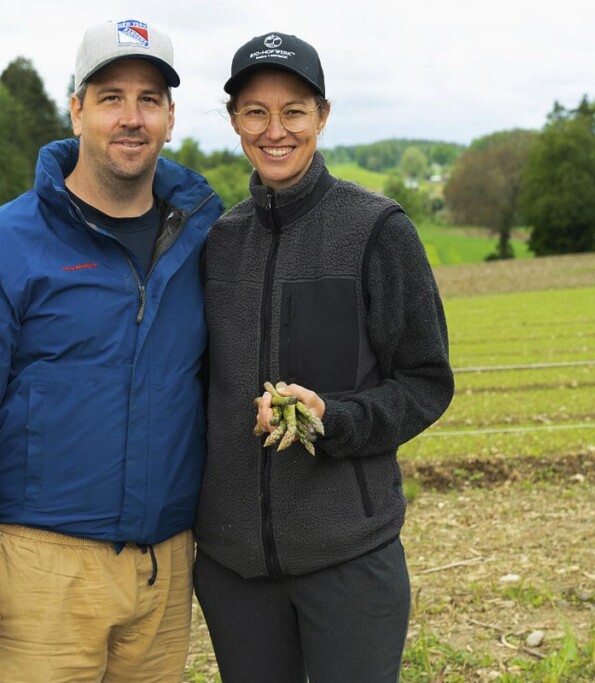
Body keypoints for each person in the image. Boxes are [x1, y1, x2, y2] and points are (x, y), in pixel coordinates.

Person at [0, 18, 223, 682]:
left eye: (149, 98)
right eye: (111, 96)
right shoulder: (2, 246)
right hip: (42, 569)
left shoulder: (206, 239)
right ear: (76, 109)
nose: (130, 117)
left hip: (164, 568)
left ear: (171, 116)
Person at [193, 31, 454, 682]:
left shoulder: (377, 229)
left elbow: (425, 382)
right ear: (234, 121)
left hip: (350, 563)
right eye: (255, 111)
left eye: (294, 111)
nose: (274, 129)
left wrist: (332, 418)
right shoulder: (218, 244)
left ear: (323, 116)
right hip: (234, 572)